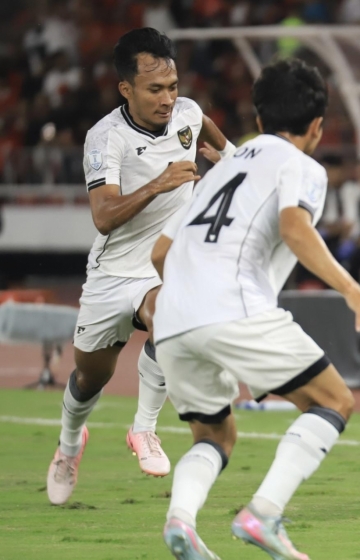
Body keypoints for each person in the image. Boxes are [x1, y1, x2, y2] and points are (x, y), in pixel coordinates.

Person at [151, 58, 360, 560]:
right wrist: (354, 291)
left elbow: (160, 253)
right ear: (317, 126)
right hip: (233, 305)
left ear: (260, 118)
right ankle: (263, 514)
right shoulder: (302, 166)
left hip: (173, 317)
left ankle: (181, 521)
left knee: (214, 434)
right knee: (333, 400)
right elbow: (294, 228)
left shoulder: (218, 173)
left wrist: (187, 302)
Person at [46, 28, 233, 506]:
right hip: (112, 274)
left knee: (170, 319)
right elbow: (103, 216)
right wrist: (159, 184)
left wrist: (231, 162)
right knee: (89, 378)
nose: (168, 98)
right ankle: (70, 445)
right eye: (155, 89)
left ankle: (144, 428)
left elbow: (217, 139)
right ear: (126, 88)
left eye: (172, 86)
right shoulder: (105, 137)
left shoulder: (188, 113)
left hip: (163, 264)